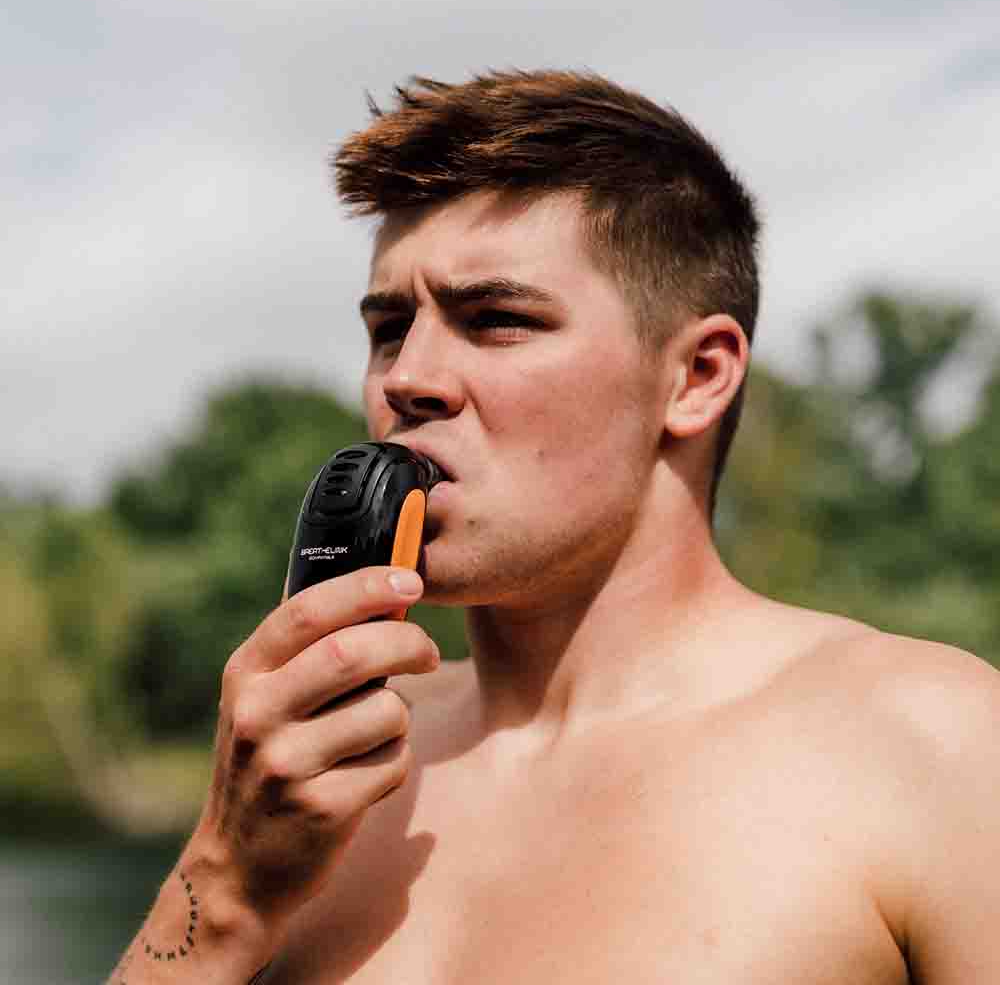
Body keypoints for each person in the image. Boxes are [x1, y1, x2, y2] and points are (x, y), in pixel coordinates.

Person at [109, 69, 1000, 985]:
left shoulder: (935, 744)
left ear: (696, 377)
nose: (406, 378)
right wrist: (226, 889)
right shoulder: (324, 760)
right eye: (388, 328)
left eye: (495, 320)